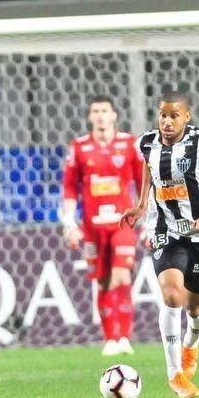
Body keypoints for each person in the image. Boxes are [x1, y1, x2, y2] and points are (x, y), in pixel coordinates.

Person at [121, 88, 199, 398]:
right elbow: (149, 166)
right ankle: (175, 374)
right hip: (164, 229)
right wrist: (141, 204)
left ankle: (192, 343)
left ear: (186, 116)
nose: (167, 121)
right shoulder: (146, 143)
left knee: (196, 307)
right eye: (163, 115)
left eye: (174, 116)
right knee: (172, 294)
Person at [60, 95, 146, 356]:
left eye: (105, 111)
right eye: (95, 111)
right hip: (92, 226)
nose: (100, 115)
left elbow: (144, 183)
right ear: (90, 116)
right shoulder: (79, 147)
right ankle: (110, 338)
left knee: (122, 275)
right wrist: (69, 223)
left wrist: (149, 220)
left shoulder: (129, 144)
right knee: (103, 280)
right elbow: (69, 188)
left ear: (114, 115)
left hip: (123, 223)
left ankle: (124, 336)